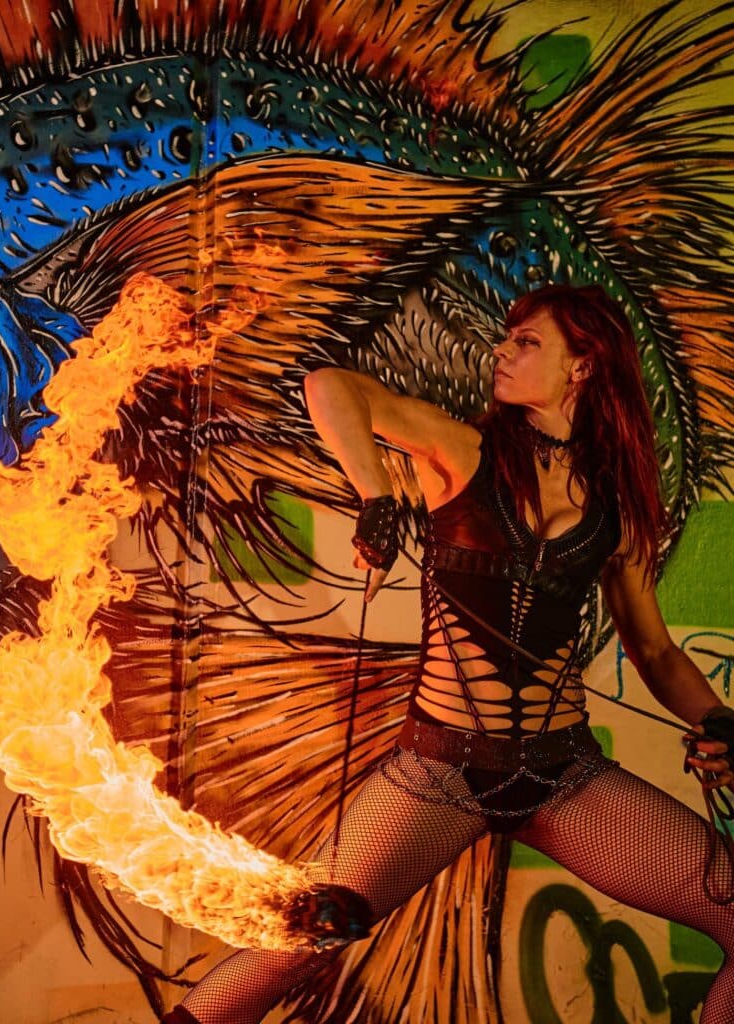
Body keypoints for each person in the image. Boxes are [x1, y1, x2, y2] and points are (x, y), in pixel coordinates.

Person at [162, 284, 734, 1024]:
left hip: (563, 774)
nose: (502, 350)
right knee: (295, 942)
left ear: (584, 364)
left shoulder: (613, 505)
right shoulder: (463, 452)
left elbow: (653, 650)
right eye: (507, 336)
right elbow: (330, 386)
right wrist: (375, 494)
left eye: (527, 341)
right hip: (440, 771)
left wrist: (720, 722)